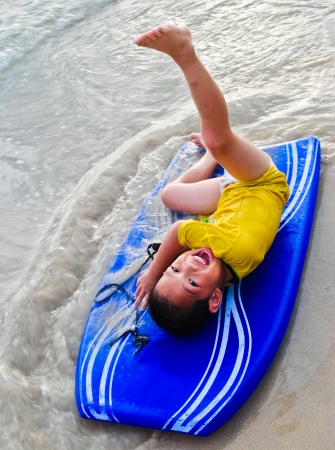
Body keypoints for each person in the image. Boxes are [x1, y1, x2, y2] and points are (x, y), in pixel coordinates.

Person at [132, 24, 290, 335]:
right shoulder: (231, 248)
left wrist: (168, 272)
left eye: (174, 269)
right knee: (218, 138)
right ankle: (184, 52)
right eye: (191, 283)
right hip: (262, 181)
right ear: (215, 298)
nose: (188, 265)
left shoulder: (226, 265)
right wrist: (154, 273)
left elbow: (187, 241)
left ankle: (210, 159)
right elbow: (178, 231)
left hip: (231, 197)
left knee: (170, 196)